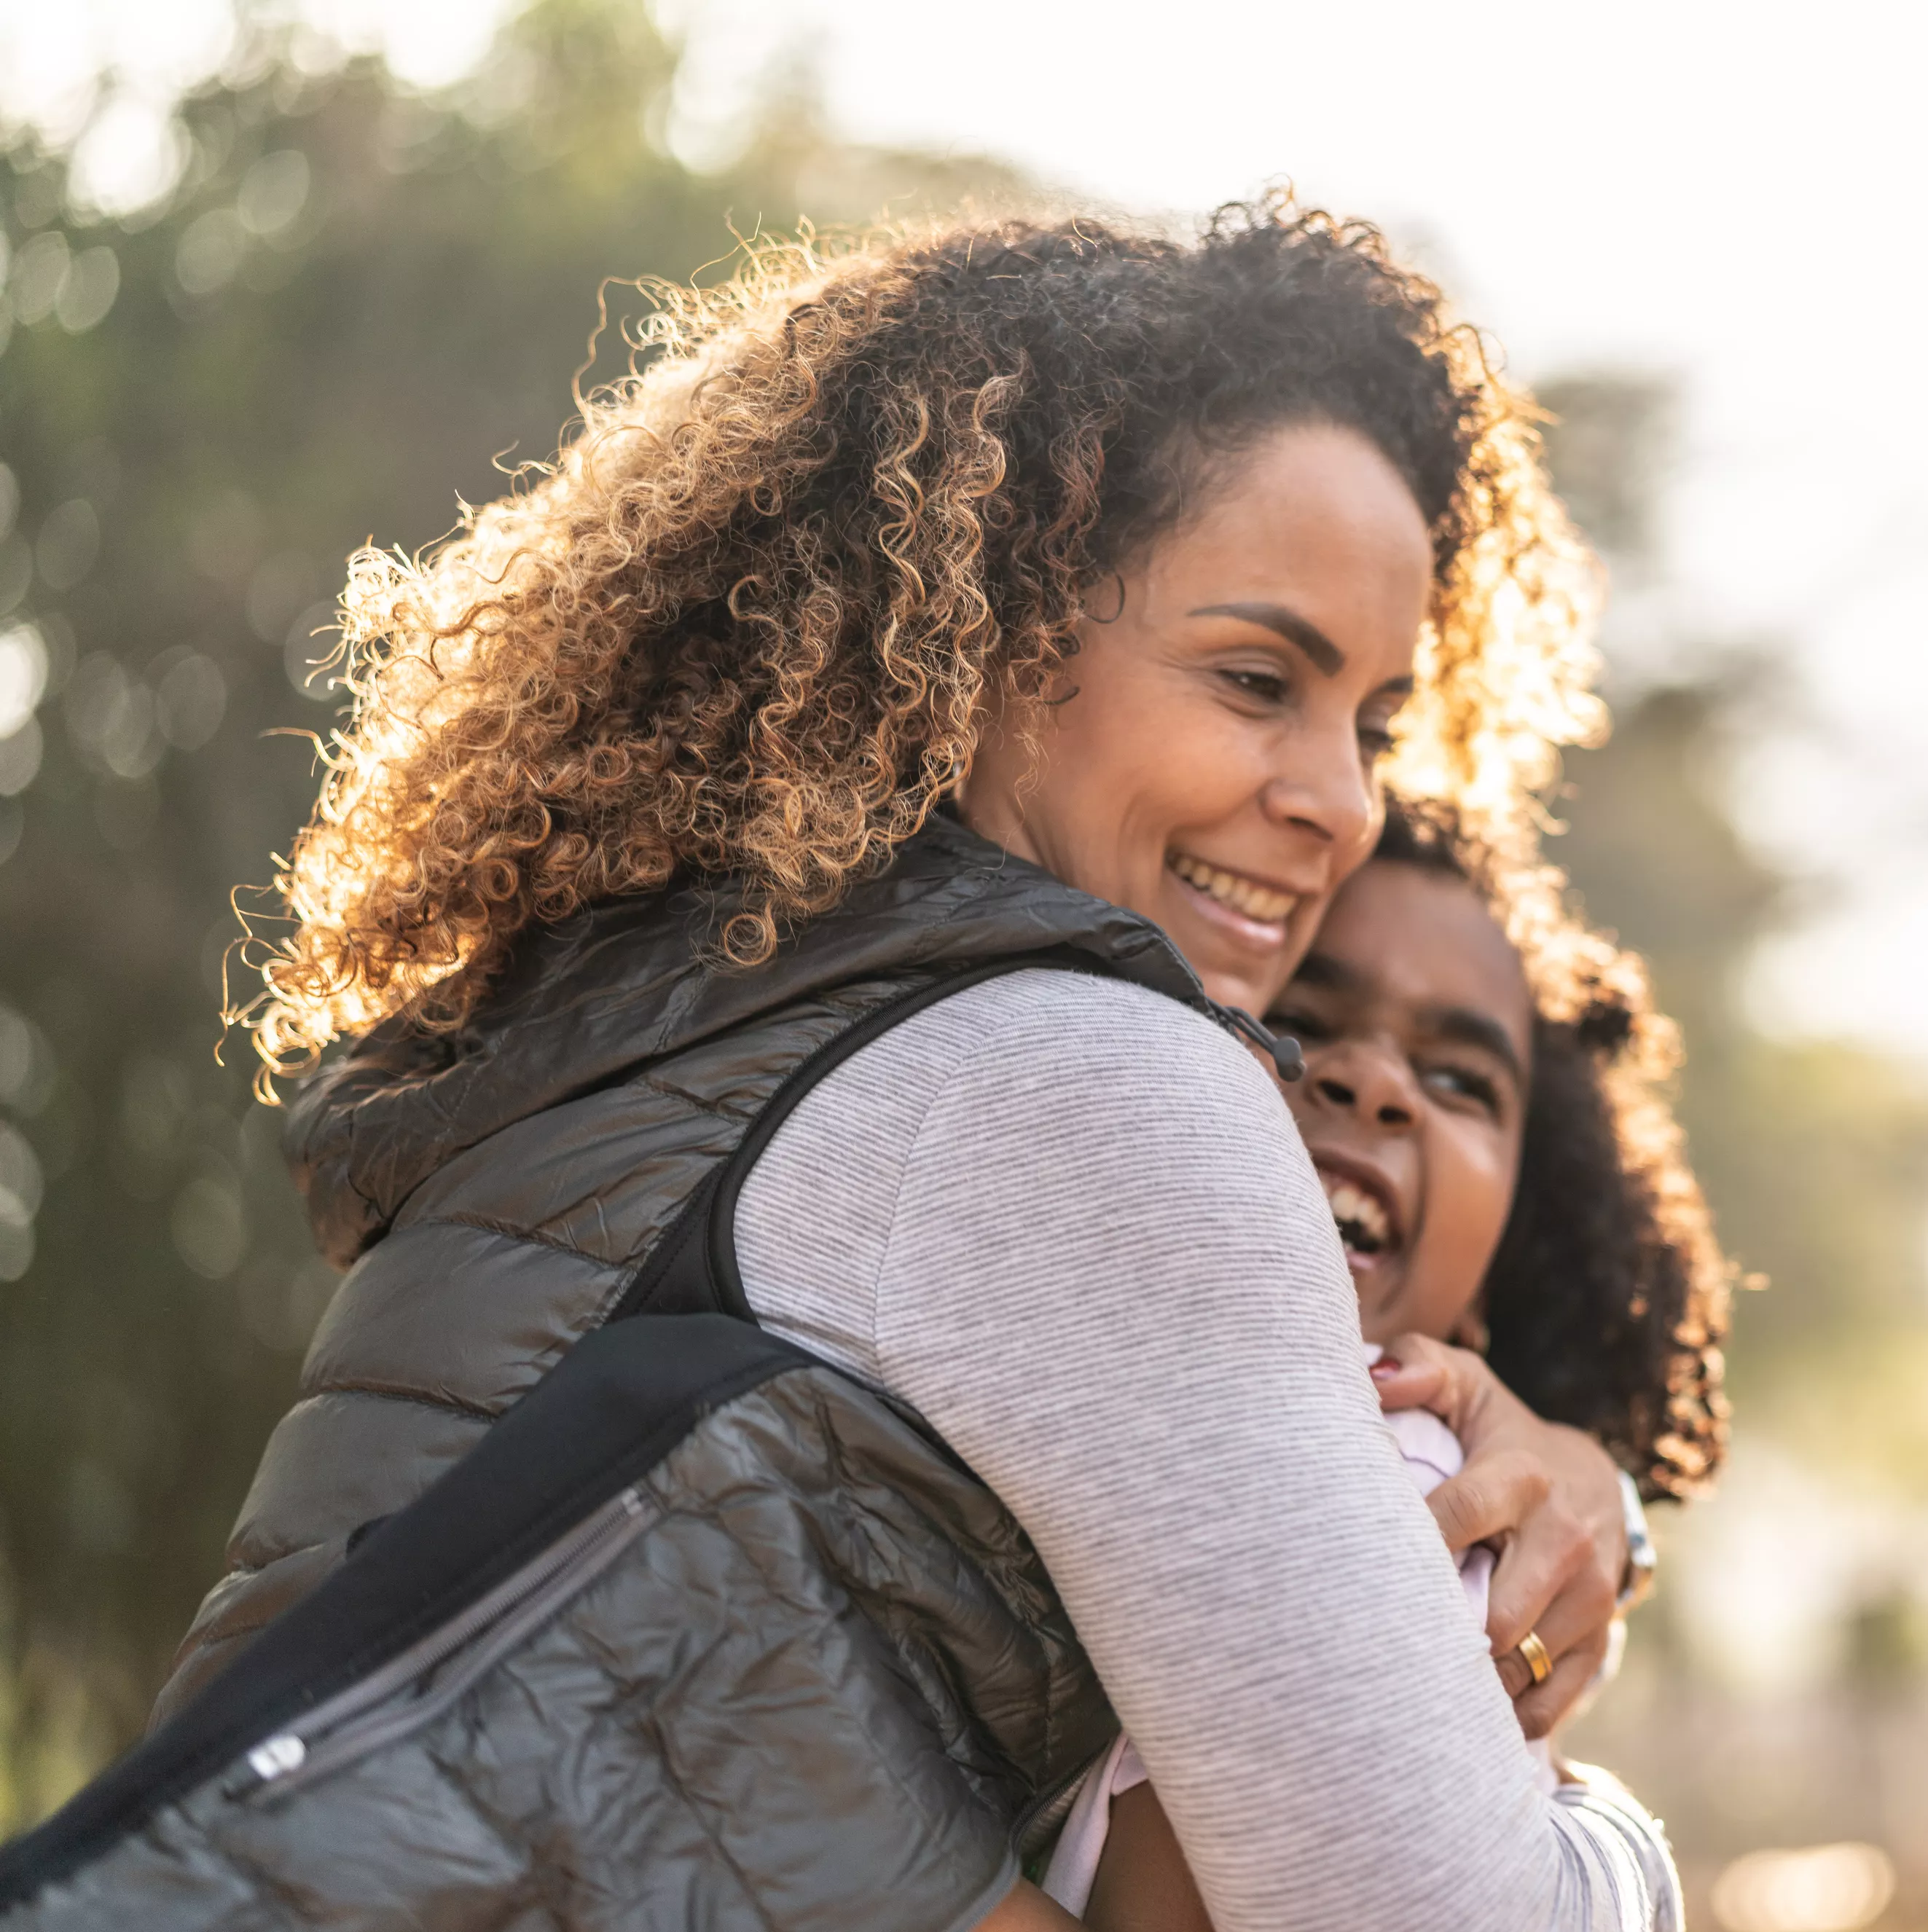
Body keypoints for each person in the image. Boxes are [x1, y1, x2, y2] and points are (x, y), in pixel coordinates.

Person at [68, 200, 1680, 1929]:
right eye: (1251, 679)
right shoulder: (1083, 1082)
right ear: (989, 634)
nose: (1343, 804)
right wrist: (1618, 1838)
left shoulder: (667, 1017)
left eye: (1367, 721)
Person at [1041, 804, 1736, 1928]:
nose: (1372, 1084)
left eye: (1461, 1080)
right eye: (1303, 1016)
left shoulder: (1416, 1485)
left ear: (1519, 1233)